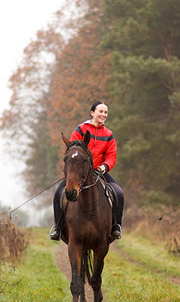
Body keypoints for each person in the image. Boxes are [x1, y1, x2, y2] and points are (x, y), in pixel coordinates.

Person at [50, 100, 124, 241]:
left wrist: (104, 166)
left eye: (105, 112)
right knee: (59, 194)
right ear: (92, 113)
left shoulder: (109, 134)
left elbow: (112, 156)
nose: (103, 114)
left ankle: (116, 227)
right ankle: (58, 228)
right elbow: (73, 150)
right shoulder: (80, 129)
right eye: (100, 111)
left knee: (119, 193)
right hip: (79, 172)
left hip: (99, 171)